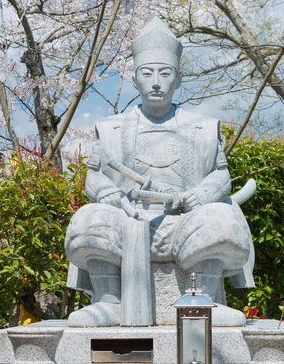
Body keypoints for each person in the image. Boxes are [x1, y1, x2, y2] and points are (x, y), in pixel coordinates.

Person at [65, 18, 254, 327]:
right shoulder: (112, 129)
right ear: (135, 79)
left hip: (184, 224)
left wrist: (202, 194)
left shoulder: (203, 129)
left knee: (222, 218)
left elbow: (221, 176)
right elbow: (94, 176)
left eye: (165, 74)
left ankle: (204, 300)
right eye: (146, 73)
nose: (156, 82)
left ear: (177, 79)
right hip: (128, 223)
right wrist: (108, 193)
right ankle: (109, 301)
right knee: (88, 219)